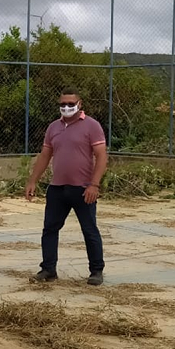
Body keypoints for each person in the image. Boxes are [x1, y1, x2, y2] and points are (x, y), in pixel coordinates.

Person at [24, 87, 107, 285]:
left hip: (83, 189)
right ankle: (48, 269)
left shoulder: (92, 126)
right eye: (63, 104)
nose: (67, 107)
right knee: (50, 229)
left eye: (71, 104)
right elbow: (45, 155)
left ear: (80, 104)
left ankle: (96, 271)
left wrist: (94, 185)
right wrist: (32, 180)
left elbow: (101, 156)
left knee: (89, 230)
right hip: (57, 188)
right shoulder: (53, 127)